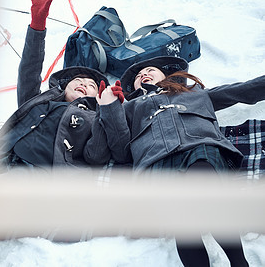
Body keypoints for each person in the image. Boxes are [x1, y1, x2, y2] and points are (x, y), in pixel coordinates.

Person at [106, 55, 265, 266]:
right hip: (155, 159)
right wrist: (109, 108)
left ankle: (239, 262)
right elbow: (119, 149)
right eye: (138, 76)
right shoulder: (130, 106)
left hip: (198, 146)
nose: (143, 74)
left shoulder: (194, 93)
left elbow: (240, 91)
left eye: (150, 70)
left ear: (166, 75)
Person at [0, 0, 128, 173]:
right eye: (77, 80)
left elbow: (97, 155)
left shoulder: (92, 117)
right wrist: (37, 27)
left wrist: (109, 109)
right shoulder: (38, 103)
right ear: (63, 87)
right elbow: (29, 71)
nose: (83, 83)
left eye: (92, 85)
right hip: (0, 164)